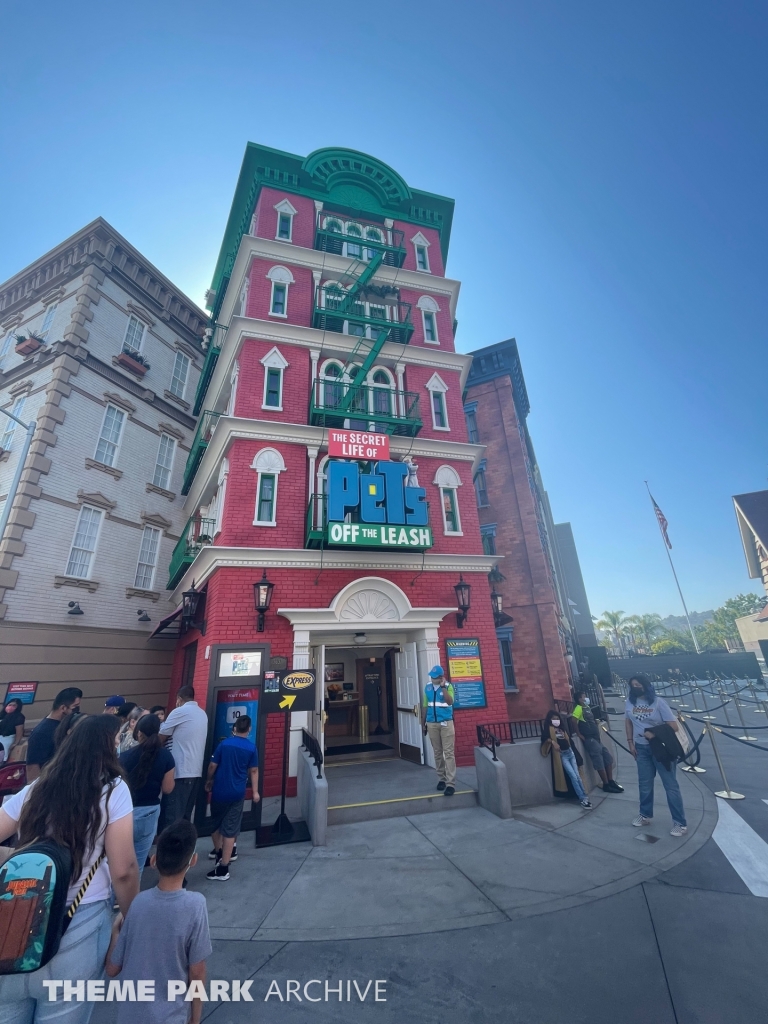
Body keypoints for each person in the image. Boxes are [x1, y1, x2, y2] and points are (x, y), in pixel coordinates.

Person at [0, 715, 139, 1023]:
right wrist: (132, 918)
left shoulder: (38, 788)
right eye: (117, 741)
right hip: (79, 923)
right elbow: (124, 870)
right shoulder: (113, 791)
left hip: (18, 923)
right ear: (106, 748)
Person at [106, 820, 211, 1024]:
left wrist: (116, 932)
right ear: (193, 860)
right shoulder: (195, 906)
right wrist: (195, 1019)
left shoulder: (138, 903)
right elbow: (197, 971)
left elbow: (112, 968)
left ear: (154, 860)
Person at [625, 673, 687, 836]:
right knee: (644, 784)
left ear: (645, 685)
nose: (635, 687)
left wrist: (653, 733)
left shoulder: (659, 702)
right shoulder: (630, 702)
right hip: (641, 748)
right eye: (633, 685)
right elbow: (628, 722)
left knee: (670, 785)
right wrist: (630, 742)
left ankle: (680, 823)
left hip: (660, 748)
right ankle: (645, 814)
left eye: (638, 684)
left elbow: (673, 726)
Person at [119, 714, 176, 879]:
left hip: (125, 812)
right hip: (149, 812)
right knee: (138, 864)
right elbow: (168, 788)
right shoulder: (166, 756)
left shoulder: (125, 756)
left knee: (118, 862)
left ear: (139, 733)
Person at [205, 715, 259, 881]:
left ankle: (218, 852)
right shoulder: (251, 748)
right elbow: (254, 771)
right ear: (249, 729)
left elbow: (213, 765)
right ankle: (224, 867)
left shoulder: (224, 744)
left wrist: (209, 780)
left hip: (220, 791)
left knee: (215, 824)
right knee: (231, 829)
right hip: (238, 793)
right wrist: (255, 792)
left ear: (235, 728)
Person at [159, 686, 208, 823]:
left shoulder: (179, 712)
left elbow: (161, 736)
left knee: (172, 817)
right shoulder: (202, 714)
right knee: (185, 817)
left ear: (179, 699)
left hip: (180, 772)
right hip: (195, 772)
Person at [25, 686, 82, 781]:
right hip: (50, 783)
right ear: (63, 708)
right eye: (75, 706)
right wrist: (36, 788)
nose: (77, 710)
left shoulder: (65, 724)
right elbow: (32, 767)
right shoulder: (42, 732)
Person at [571, 690, 623, 793]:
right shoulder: (578, 708)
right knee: (598, 760)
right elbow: (573, 720)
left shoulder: (587, 707)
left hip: (596, 738)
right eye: (584, 696)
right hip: (589, 739)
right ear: (579, 699)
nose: (586, 698)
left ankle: (611, 781)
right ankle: (606, 784)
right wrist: (579, 733)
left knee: (607, 758)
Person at [540, 709, 592, 808]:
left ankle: (585, 796)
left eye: (557, 718)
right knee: (573, 776)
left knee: (577, 776)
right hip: (563, 755)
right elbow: (544, 738)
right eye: (554, 719)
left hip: (570, 753)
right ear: (550, 720)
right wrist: (553, 742)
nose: (556, 720)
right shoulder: (549, 729)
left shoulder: (562, 728)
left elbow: (569, 741)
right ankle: (582, 798)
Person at [420, 666, 456, 796]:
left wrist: (443, 687)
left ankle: (450, 783)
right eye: (431, 676)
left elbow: (450, 701)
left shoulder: (448, 686)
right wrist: (423, 723)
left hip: (446, 723)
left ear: (441, 677)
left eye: (434, 677)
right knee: (437, 752)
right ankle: (441, 779)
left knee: (449, 753)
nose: (432, 678)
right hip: (432, 723)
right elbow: (425, 706)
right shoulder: (428, 687)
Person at [0, 697, 25, 763]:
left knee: (3, 755)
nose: (11, 707)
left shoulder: (19, 717)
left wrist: (15, 743)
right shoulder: (2, 715)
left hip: (8, 738)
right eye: (10, 705)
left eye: (14, 706)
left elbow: (19, 731)